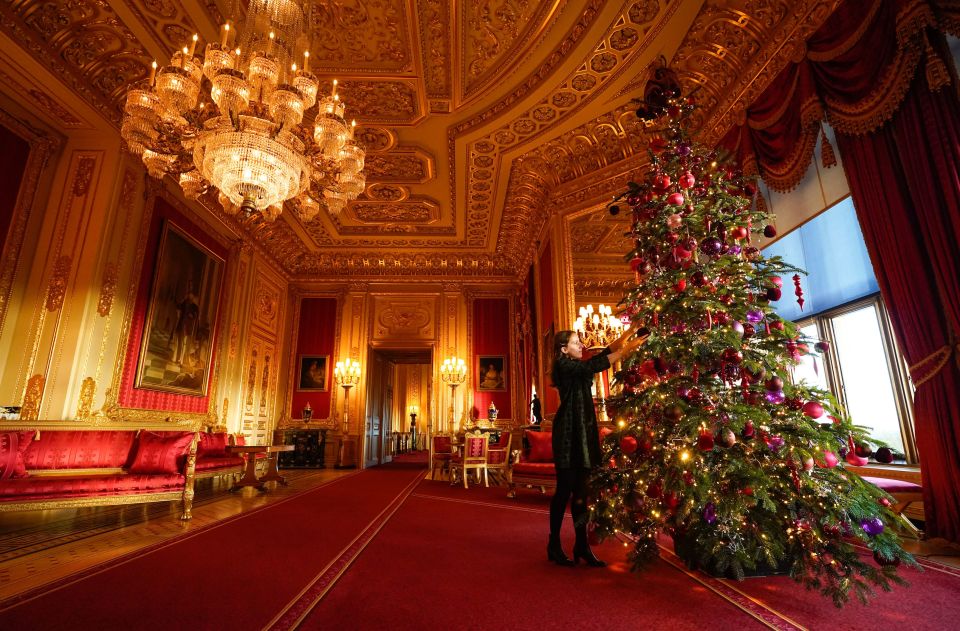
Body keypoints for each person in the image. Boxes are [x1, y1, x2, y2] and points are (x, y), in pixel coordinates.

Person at [547, 326, 648, 568]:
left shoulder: (576, 362)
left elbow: (602, 354)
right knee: (564, 491)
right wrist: (626, 350)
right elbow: (594, 365)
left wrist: (629, 333)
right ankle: (553, 544)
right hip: (569, 432)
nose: (581, 345)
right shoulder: (564, 364)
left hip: (585, 429)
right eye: (575, 342)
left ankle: (581, 545)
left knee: (582, 491)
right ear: (564, 349)